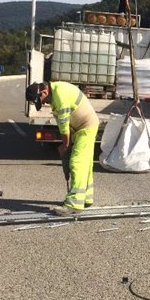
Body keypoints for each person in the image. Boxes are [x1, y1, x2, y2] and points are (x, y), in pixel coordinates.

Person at [26, 81, 99, 216]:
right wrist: (66, 143)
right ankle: (86, 198)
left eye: (41, 100)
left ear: (44, 92)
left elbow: (64, 125)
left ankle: (74, 204)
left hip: (86, 127)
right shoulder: (55, 95)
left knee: (76, 162)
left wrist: (65, 146)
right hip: (79, 128)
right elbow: (62, 124)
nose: (44, 104)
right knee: (85, 164)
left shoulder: (60, 94)